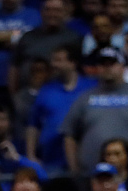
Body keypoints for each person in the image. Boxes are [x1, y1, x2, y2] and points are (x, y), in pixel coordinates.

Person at [62, 48, 128, 176]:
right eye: (103, 64)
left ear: (122, 67)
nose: (107, 68)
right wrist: (74, 169)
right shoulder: (85, 98)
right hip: (92, 173)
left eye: (112, 64)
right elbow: (69, 134)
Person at [27, 46, 95, 176]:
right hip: (51, 161)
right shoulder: (46, 90)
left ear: (72, 62)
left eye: (58, 60)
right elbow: (33, 125)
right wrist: (31, 156)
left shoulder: (91, 87)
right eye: (53, 60)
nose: (53, 64)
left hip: (85, 158)